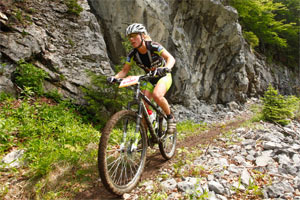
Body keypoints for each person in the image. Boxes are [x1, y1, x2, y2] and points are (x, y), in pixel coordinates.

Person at [108, 23, 176, 133]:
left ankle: (170, 118)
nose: (131, 39)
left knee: (157, 95)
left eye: (134, 35)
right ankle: (145, 138)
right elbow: (124, 71)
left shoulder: (154, 46)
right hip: (149, 78)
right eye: (130, 37)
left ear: (142, 36)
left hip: (163, 76)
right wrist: (114, 78)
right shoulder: (132, 55)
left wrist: (166, 68)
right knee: (143, 106)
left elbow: (170, 58)